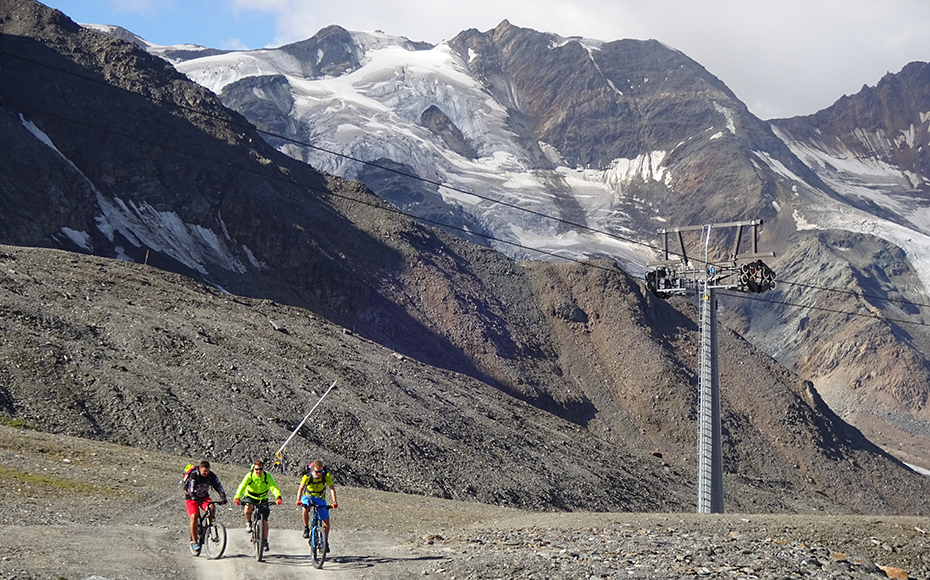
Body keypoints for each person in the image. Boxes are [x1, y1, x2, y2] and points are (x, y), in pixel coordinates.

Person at [233, 460, 283, 552]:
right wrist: (237, 497)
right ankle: (249, 522)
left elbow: (273, 487)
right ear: (253, 469)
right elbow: (242, 486)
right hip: (250, 496)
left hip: (263, 498)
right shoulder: (249, 476)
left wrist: (278, 497)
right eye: (256, 469)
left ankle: (264, 541)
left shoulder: (267, 476)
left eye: (260, 469)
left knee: (264, 520)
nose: (258, 471)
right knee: (248, 507)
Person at [183, 460, 227, 552]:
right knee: (194, 517)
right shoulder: (194, 475)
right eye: (204, 471)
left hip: (204, 498)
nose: (206, 473)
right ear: (200, 469)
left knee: (211, 507)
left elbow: (218, 486)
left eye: (207, 471)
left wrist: (223, 497)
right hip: (191, 499)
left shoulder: (211, 475)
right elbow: (191, 488)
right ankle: (194, 542)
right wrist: (193, 496)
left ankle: (209, 527)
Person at [297, 459, 338, 550]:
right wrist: (299, 500)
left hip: (320, 498)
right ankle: (306, 528)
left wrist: (334, 501)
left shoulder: (326, 476)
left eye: (320, 471)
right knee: (305, 508)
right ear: (313, 470)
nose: (319, 474)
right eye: (317, 472)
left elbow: (332, 489)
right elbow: (301, 489)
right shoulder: (307, 476)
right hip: (309, 496)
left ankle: (325, 541)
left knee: (326, 521)